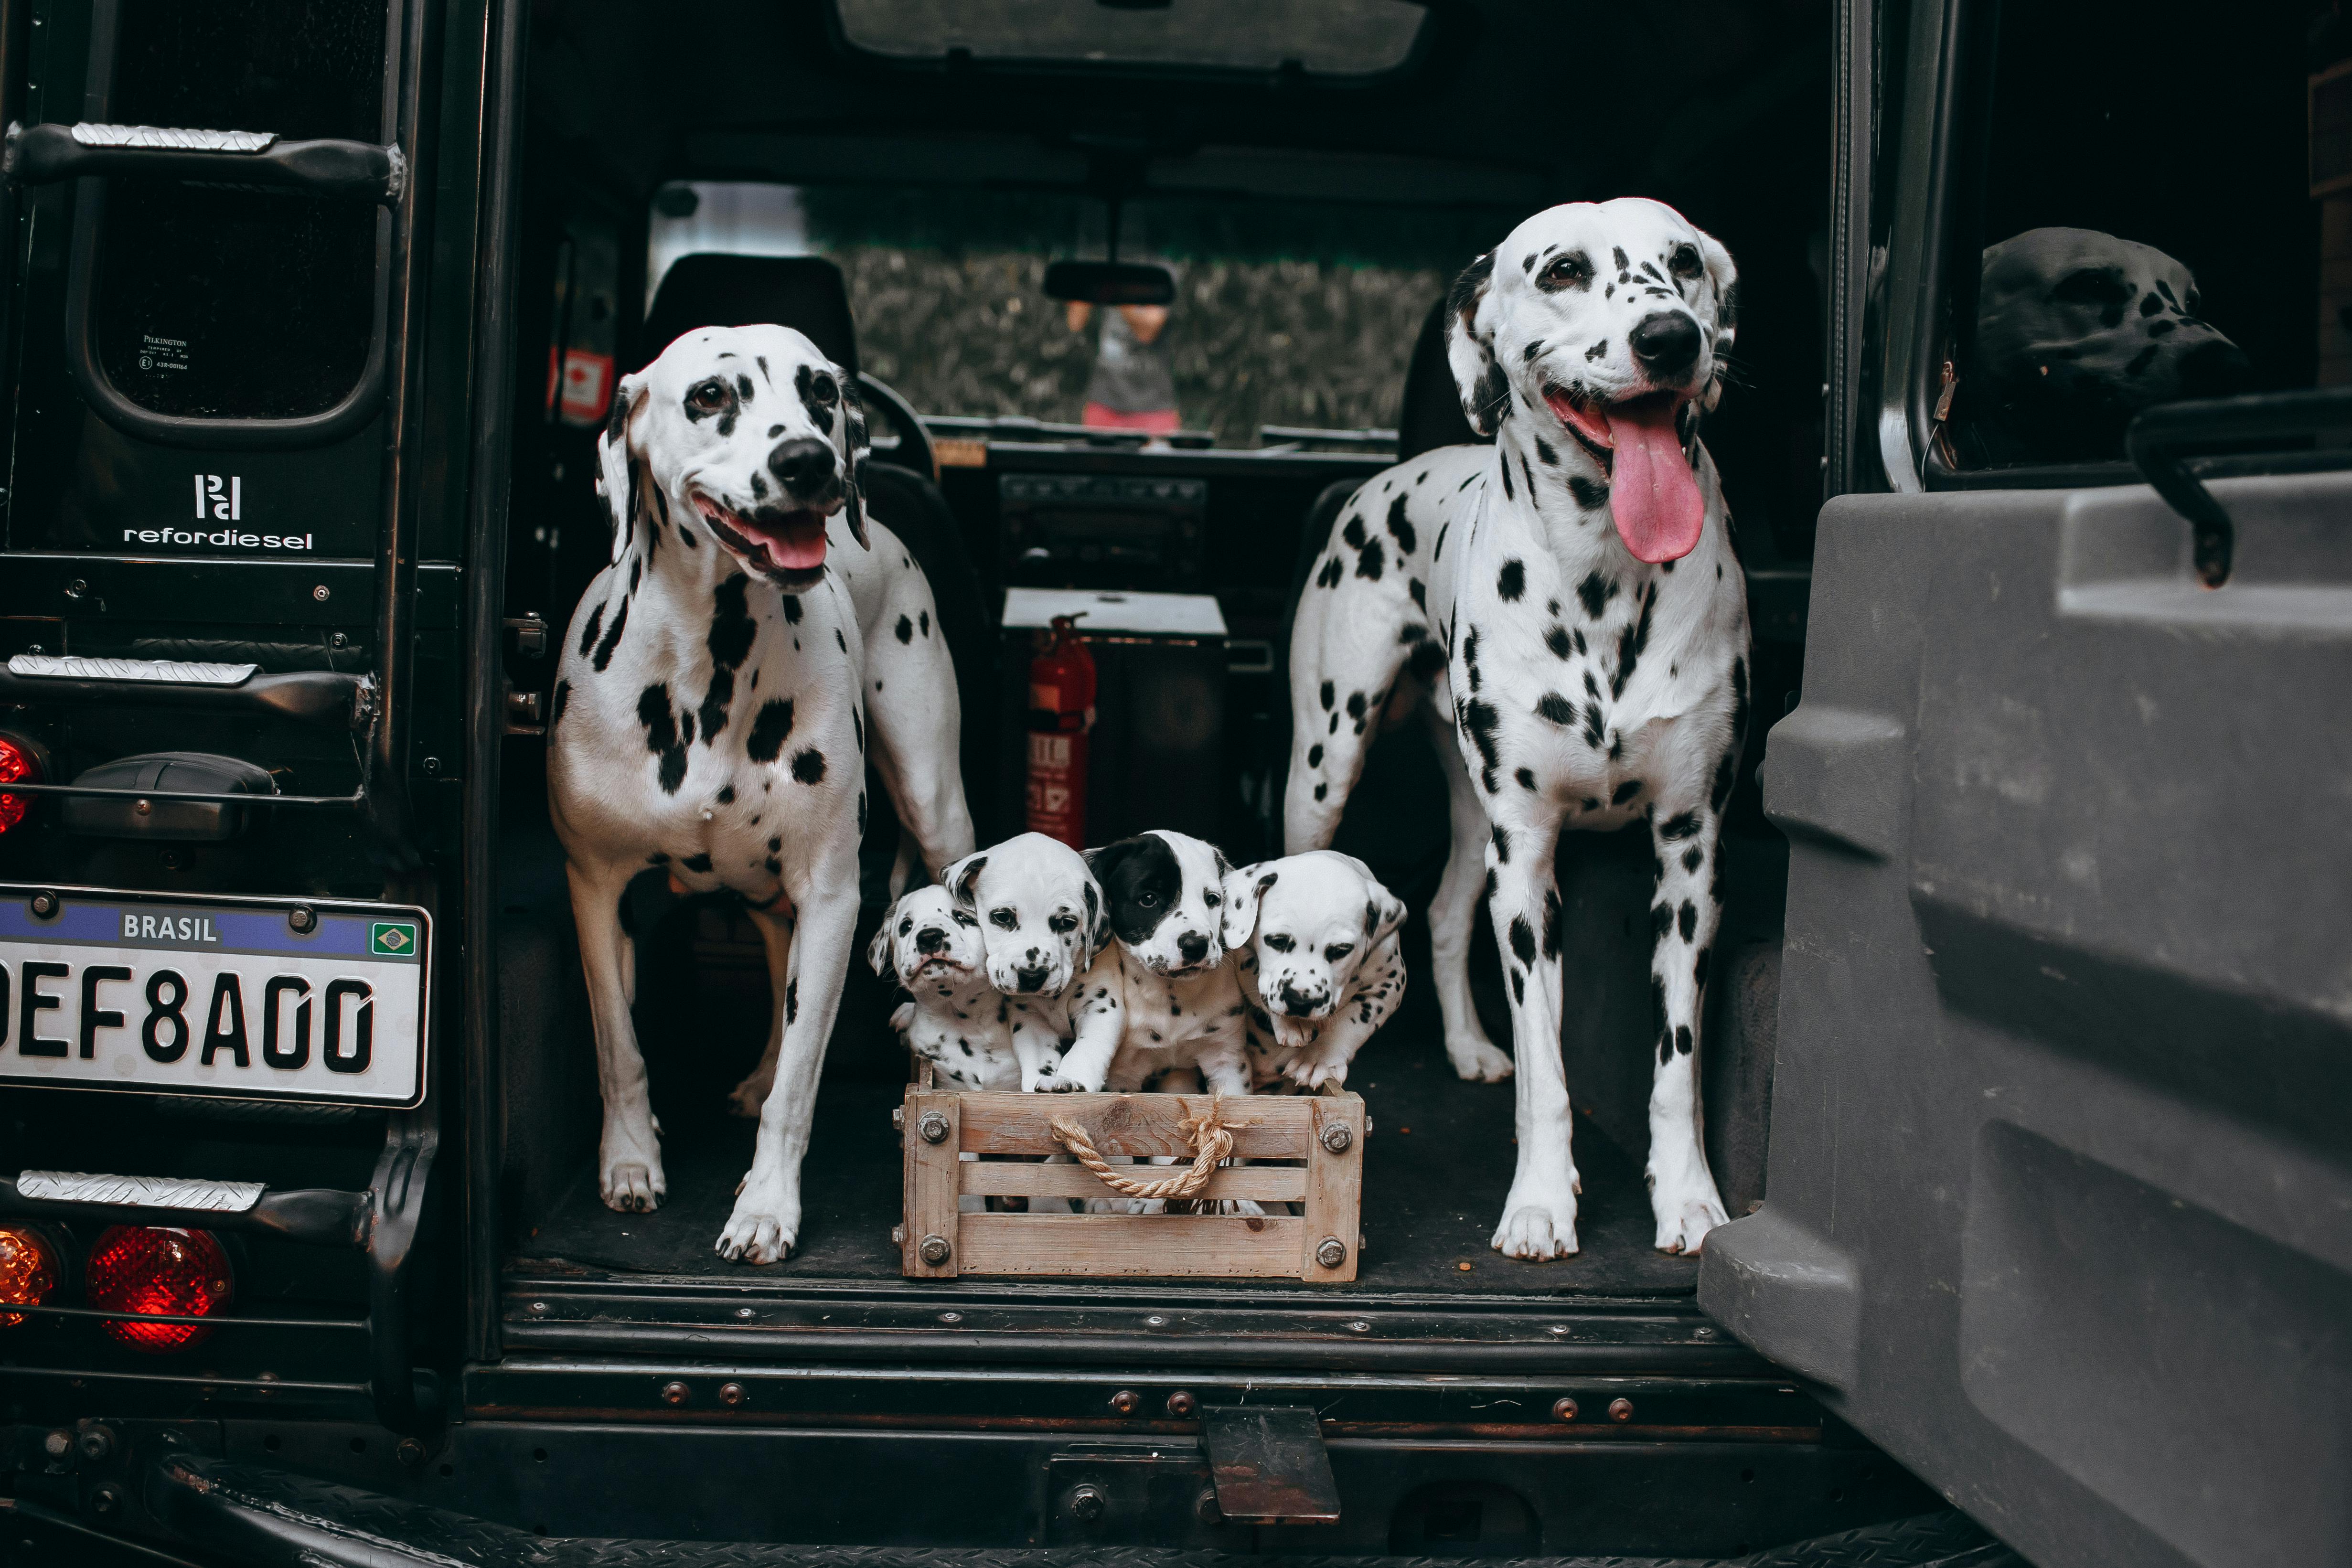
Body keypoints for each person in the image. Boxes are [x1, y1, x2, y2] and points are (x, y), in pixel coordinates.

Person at [1067, 300, 1179, 433]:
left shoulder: (1159, 281)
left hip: (1154, 407)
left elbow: (1146, 331)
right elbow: (1075, 323)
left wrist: (1119, 289)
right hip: (1104, 403)